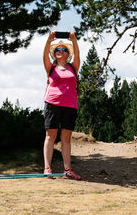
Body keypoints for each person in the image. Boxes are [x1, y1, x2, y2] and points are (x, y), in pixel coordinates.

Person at [42, 30, 81, 180]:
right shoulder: (51, 68)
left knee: (66, 138)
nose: (60, 51)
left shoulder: (73, 67)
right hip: (52, 104)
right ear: (55, 53)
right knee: (50, 136)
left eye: (64, 49)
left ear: (67, 54)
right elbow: (44, 55)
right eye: (57, 49)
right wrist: (49, 40)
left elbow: (77, 54)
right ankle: (47, 168)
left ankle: (67, 170)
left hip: (70, 105)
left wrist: (74, 40)